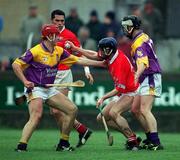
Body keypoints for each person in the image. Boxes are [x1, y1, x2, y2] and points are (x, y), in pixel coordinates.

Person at [12, 24, 105, 152]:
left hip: (49, 89)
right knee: (36, 116)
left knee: (72, 109)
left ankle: (63, 143)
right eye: (56, 35)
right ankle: (21, 146)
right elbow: (16, 65)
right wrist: (25, 81)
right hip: (35, 89)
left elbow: (78, 60)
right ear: (49, 37)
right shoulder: (35, 51)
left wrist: (101, 63)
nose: (59, 37)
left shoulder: (58, 51)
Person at [66, 37, 141, 150]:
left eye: (102, 50)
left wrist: (103, 98)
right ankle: (132, 137)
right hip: (123, 92)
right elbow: (95, 55)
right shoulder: (110, 55)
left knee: (114, 113)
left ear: (109, 50)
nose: (100, 52)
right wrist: (76, 49)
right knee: (101, 118)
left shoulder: (118, 63)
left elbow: (118, 89)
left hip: (132, 92)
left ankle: (133, 142)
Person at [51, 9, 93, 148]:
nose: (59, 23)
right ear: (52, 20)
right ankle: (82, 130)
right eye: (57, 21)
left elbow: (81, 53)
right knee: (55, 112)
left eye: (62, 21)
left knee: (59, 110)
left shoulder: (69, 35)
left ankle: (64, 142)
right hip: (49, 75)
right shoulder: (47, 33)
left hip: (64, 75)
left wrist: (87, 71)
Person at [121, 15, 163, 150]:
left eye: (125, 27)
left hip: (149, 76)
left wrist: (136, 75)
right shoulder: (142, 37)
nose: (124, 30)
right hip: (145, 77)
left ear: (131, 27)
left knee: (145, 109)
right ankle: (150, 138)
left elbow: (143, 63)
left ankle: (156, 142)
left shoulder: (138, 43)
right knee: (135, 110)